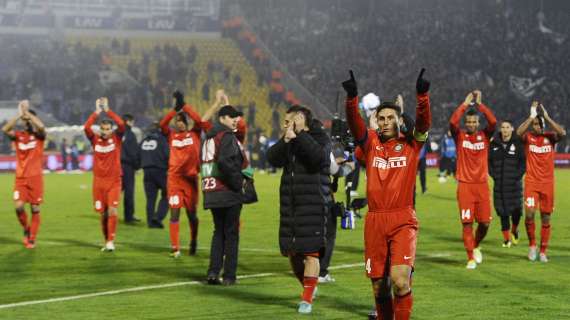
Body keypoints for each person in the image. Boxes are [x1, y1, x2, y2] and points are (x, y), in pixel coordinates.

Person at [342, 69, 431, 320]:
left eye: (390, 117)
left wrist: (422, 96)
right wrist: (352, 98)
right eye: (381, 118)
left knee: (400, 281)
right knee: (379, 287)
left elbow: (424, 123)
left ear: (399, 121)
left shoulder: (412, 144)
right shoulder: (370, 144)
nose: (385, 122)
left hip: (402, 219)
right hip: (375, 221)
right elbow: (354, 123)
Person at [267, 105, 332, 314]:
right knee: (293, 254)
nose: (285, 125)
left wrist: (300, 135)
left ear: (301, 119)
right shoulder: (289, 139)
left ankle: (307, 299)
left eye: (289, 121)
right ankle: (308, 288)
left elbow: (318, 159)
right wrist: (286, 139)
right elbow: (272, 159)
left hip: (312, 203)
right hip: (291, 204)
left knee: (312, 252)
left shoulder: (320, 136)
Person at [159, 90, 213, 258]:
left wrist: (185, 107)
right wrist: (175, 110)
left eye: (182, 121)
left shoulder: (195, 133)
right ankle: (175, 248)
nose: (179, 124)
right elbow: (162, 125)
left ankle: (193, 240)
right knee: (174, 212)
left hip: (190, 180)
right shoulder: (171, 136)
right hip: (174, 180)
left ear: (186, 122)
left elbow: (199, 120)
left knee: (191, 214)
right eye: (177, 121)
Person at [449, 90, 496, 269]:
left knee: (485, 223)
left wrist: (480, 105)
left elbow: (493, 122)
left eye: (474, 121)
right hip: (465, 186)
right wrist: (464, 104)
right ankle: (470, 257)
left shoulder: (485, 136)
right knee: (467, 223)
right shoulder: (459, 136)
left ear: (478, 122)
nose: (470, 124)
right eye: (468, 122)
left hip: (482, 185)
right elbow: (453, 122)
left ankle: (476, 244)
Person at [202, 103, 247, 286]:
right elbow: (225, 163)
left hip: (211, 191)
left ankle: (213, 272)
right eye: (231, 116)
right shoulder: (227, 136)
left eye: (236, 116)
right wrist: (239, 184)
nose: (236, 119)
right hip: (227, 191)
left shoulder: (208, 138)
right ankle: (229, 275)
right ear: (222, 119)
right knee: (231, 234)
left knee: (218, 232)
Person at [516, 101, 566, 262]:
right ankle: (532, 245)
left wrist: (547, 117)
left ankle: (543, 251)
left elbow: (563, 133)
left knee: (546, 217)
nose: (536, 127)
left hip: (547, 184)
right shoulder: (528, 138)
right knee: (529, 215)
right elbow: (518, 132)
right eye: (534, 125)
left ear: (543, 125)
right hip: (531, 182)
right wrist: (531, 116)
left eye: (538, 124)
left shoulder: (550, 138)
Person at [2, 100, 46, 249]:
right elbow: (5, 129)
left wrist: (28, 114)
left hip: (35, 178)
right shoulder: (18, 135)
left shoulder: (40, 136)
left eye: (28, 120)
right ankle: (26, 229)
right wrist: (19, 114)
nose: (25, 122)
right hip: (21, 178)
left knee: (35, 209)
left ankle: (32, 237)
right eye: (24, 120)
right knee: (19, 207)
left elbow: (41, 126)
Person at [84, 97, 125, 252]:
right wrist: (96, 112)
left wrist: (107, 110)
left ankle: (110, 241)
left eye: (108, 129)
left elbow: (121, 124)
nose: (106, 131)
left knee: (112, 211)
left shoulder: (117, 138)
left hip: (114, 181)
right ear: (100, 129)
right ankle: (105, 240)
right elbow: (86, 128)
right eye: (104, 129)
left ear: (111, 130)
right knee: (102, 214)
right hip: (98, 183)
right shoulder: (95, 140)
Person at [488, 120, 525, 247]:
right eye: (503, 127)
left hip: (514, 185)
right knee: (502, 212)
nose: (505, 130)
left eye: (507, 127)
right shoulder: (493, 144)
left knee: (516, 212)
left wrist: (516, 176)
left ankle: (514, 230)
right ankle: (506, 240)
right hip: (499, 185)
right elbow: (489, 163)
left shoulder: (518, 143)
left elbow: (523, 163)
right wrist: (495, 176)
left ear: (512, 129)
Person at [139, 122, 169, 228]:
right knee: (168, 195)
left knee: (150, 199)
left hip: (146, 172)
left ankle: (150, 221)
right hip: (160, 171)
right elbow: (167, 154)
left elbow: (138, 155)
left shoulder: (143, 141)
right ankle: (158, 217)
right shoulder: (161, 140)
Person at [121, 114, 141, 224]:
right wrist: (137, 165)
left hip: (117, 166)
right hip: (127, 166)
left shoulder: (117, 133)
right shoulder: (130, 134)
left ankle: (107, 212)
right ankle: (129, 216)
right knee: (129, 191)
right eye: (132, 121)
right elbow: (133, 152)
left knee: (115, 190)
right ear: (128, 121)